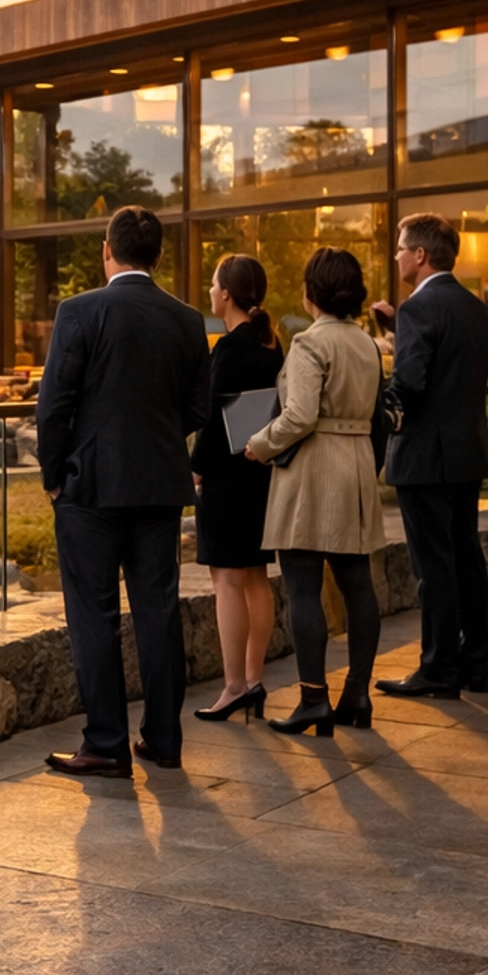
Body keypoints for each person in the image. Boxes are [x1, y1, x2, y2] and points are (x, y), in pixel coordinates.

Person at [38, 204, 211, 778]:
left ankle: (106, 743)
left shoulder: (80, 311)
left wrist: (54, 475)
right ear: (158, 256)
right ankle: (163, 739)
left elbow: (54, 405)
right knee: (158, 612)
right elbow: (197, 408)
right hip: (160, 486)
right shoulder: (187, 320)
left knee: (94, 614)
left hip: (89, 489)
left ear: (106, 252)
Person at [245, 248, 385, 735]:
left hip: (312, 469)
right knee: (358, 584)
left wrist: (258, 445)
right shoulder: (367, 343)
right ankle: (358, 694)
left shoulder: (309, 343)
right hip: (357, 463)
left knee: (303, 587)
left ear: (312, 291)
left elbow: (299, 416)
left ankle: (313, 700)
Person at [370, 211, 488, 697]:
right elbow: (449, 373)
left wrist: (381, 401)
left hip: (425, 457)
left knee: (434, 567)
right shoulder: (474, 308)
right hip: (467, 452)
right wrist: (399, 338)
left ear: (420, 255)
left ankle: (438, 668)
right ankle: (474, 666)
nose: (397, 254)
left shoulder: (417, 308)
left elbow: (411, 385)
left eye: (401, 247)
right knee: (467, 558)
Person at [191, 255, 283, 721]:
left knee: (226, 578)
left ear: (227, 293)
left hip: (227, 477)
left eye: (213, 284)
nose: (210, 291)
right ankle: (254, 680)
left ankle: (233, 686)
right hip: (261, 472)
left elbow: (212, 420)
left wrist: (197, 470)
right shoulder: (271, 345)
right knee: (255, 576)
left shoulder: (229, 349)